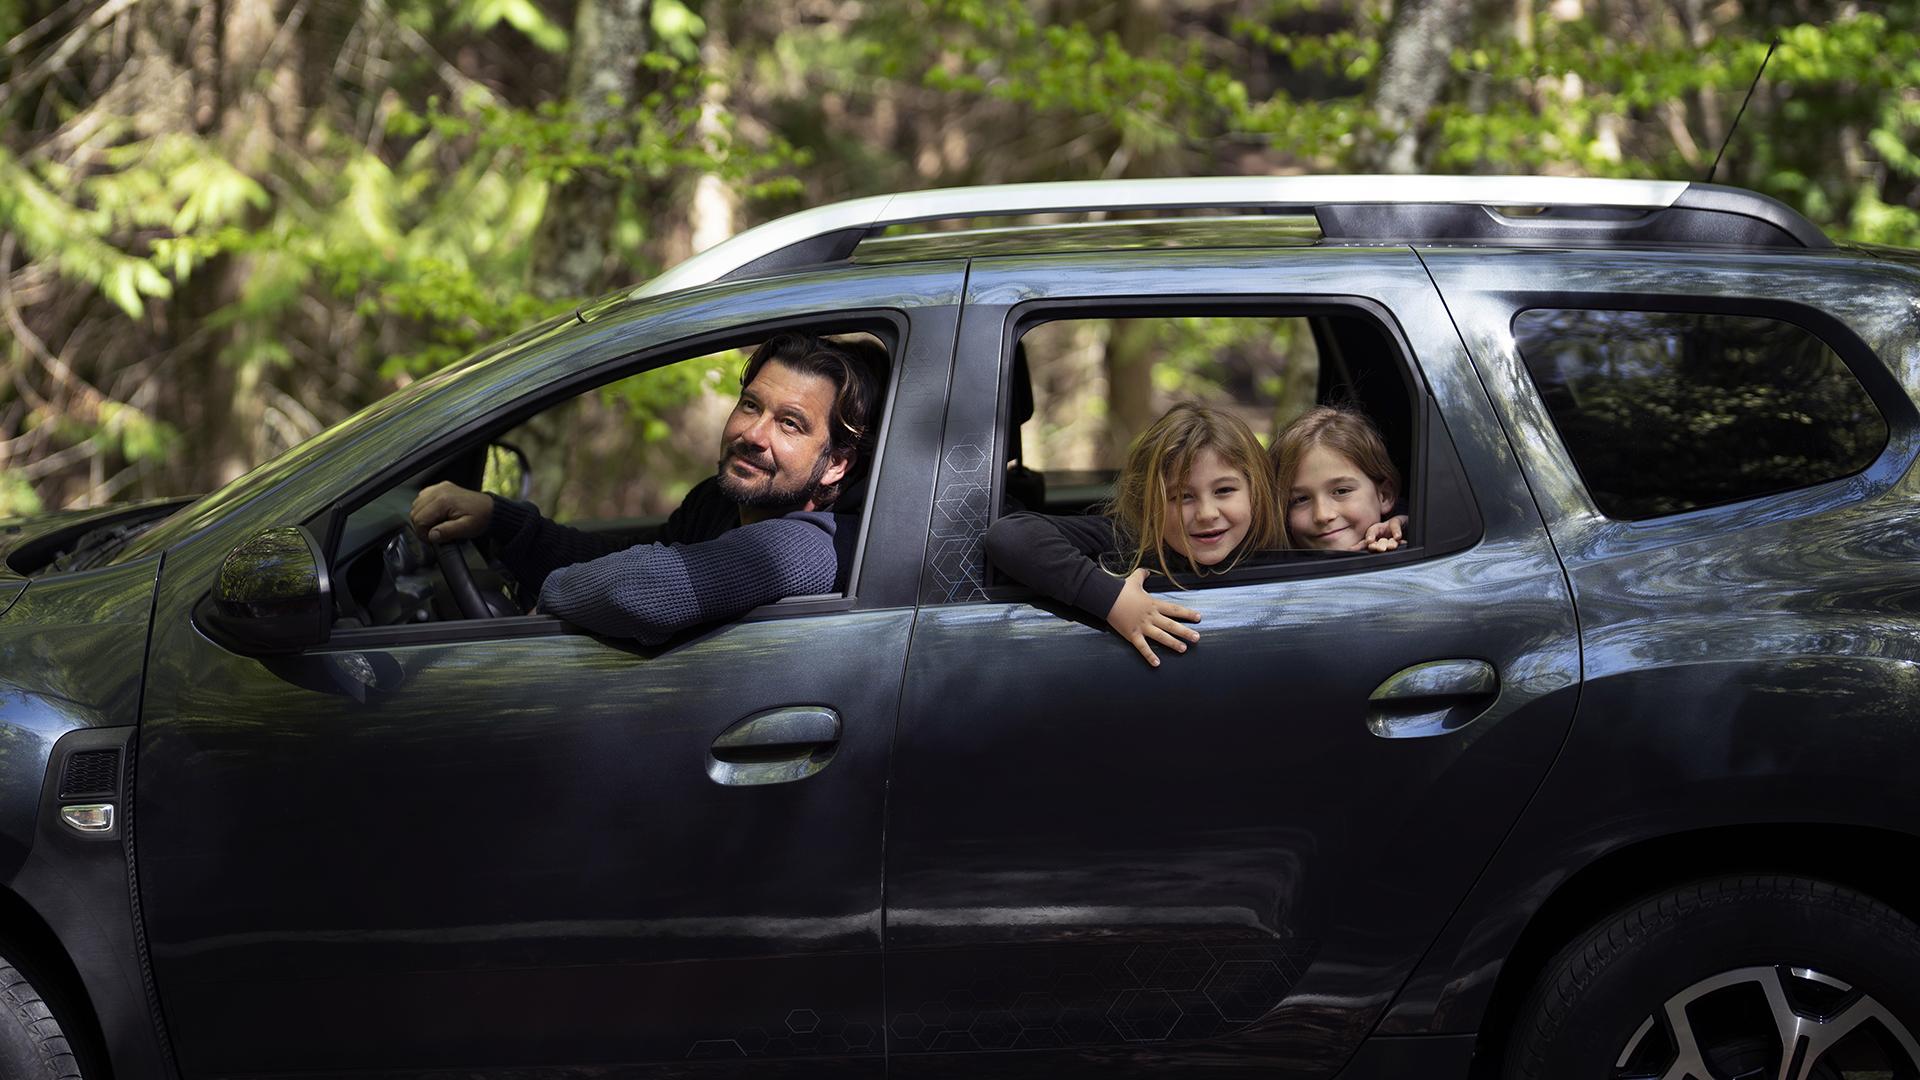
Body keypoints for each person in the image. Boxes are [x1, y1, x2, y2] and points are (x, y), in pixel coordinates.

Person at [408, 332, 883, 644]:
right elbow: (633, 555)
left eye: (790, 424)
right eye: (750, 405)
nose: (754, 434)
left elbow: (644, 588)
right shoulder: (719, 500)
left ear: (835, 466)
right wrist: (500, 518)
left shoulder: (813, 547)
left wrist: (551, 599)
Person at [983, 402, 1284, 668]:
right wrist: (1114, 601)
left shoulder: (1278, 546)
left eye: (1224, 490)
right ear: (1148, 503)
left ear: (1256, 491)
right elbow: (1010, 535)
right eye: (1181, 497)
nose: (1207, 513)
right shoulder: (1128, 544)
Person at [1269, 404, 1406, 552]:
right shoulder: (1275, 561)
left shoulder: (1412, 541)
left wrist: (1406, 526)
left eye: (1341, 491)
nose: (1322, 515)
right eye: (1301, 499)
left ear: (1384, 496)